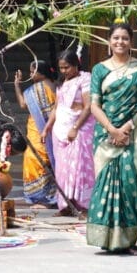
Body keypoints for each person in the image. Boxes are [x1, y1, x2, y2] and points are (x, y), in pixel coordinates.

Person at [86, 22, 137, 254]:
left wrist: (125, 129)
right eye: (116, 38)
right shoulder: (99, 69)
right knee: (106, 184)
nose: (120, 42)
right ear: (109, 41)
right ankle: (107, 239)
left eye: (125, 38)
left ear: (131, 42)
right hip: (106, 136)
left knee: (130, 185)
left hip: (134, 134)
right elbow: (94, 105)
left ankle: (131, 240)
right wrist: (112, 129)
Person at [43, 49, 94, 216]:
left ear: (76, 64)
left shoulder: (85, 79)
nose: (64, 71)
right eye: (61, 68)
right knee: (62, 170)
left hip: (79, 130)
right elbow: (56, 108)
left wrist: (75, 128)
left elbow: (88, 106)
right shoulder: (62, 83)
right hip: (60, 131)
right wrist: (47, 127)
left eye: (67, 67)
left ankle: (84, 206)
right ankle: (65, 205)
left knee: (80, 169)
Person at [13, 60, 56, 207]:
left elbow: (23, 104)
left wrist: (17, 85)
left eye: (33, 72)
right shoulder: (54, 85)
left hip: (41, 131)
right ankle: (51, 197)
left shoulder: (38, 88)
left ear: (41, 73)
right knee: (48, 161)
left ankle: (43, 199)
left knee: (35, 160)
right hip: (50, 130)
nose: (30, 75)